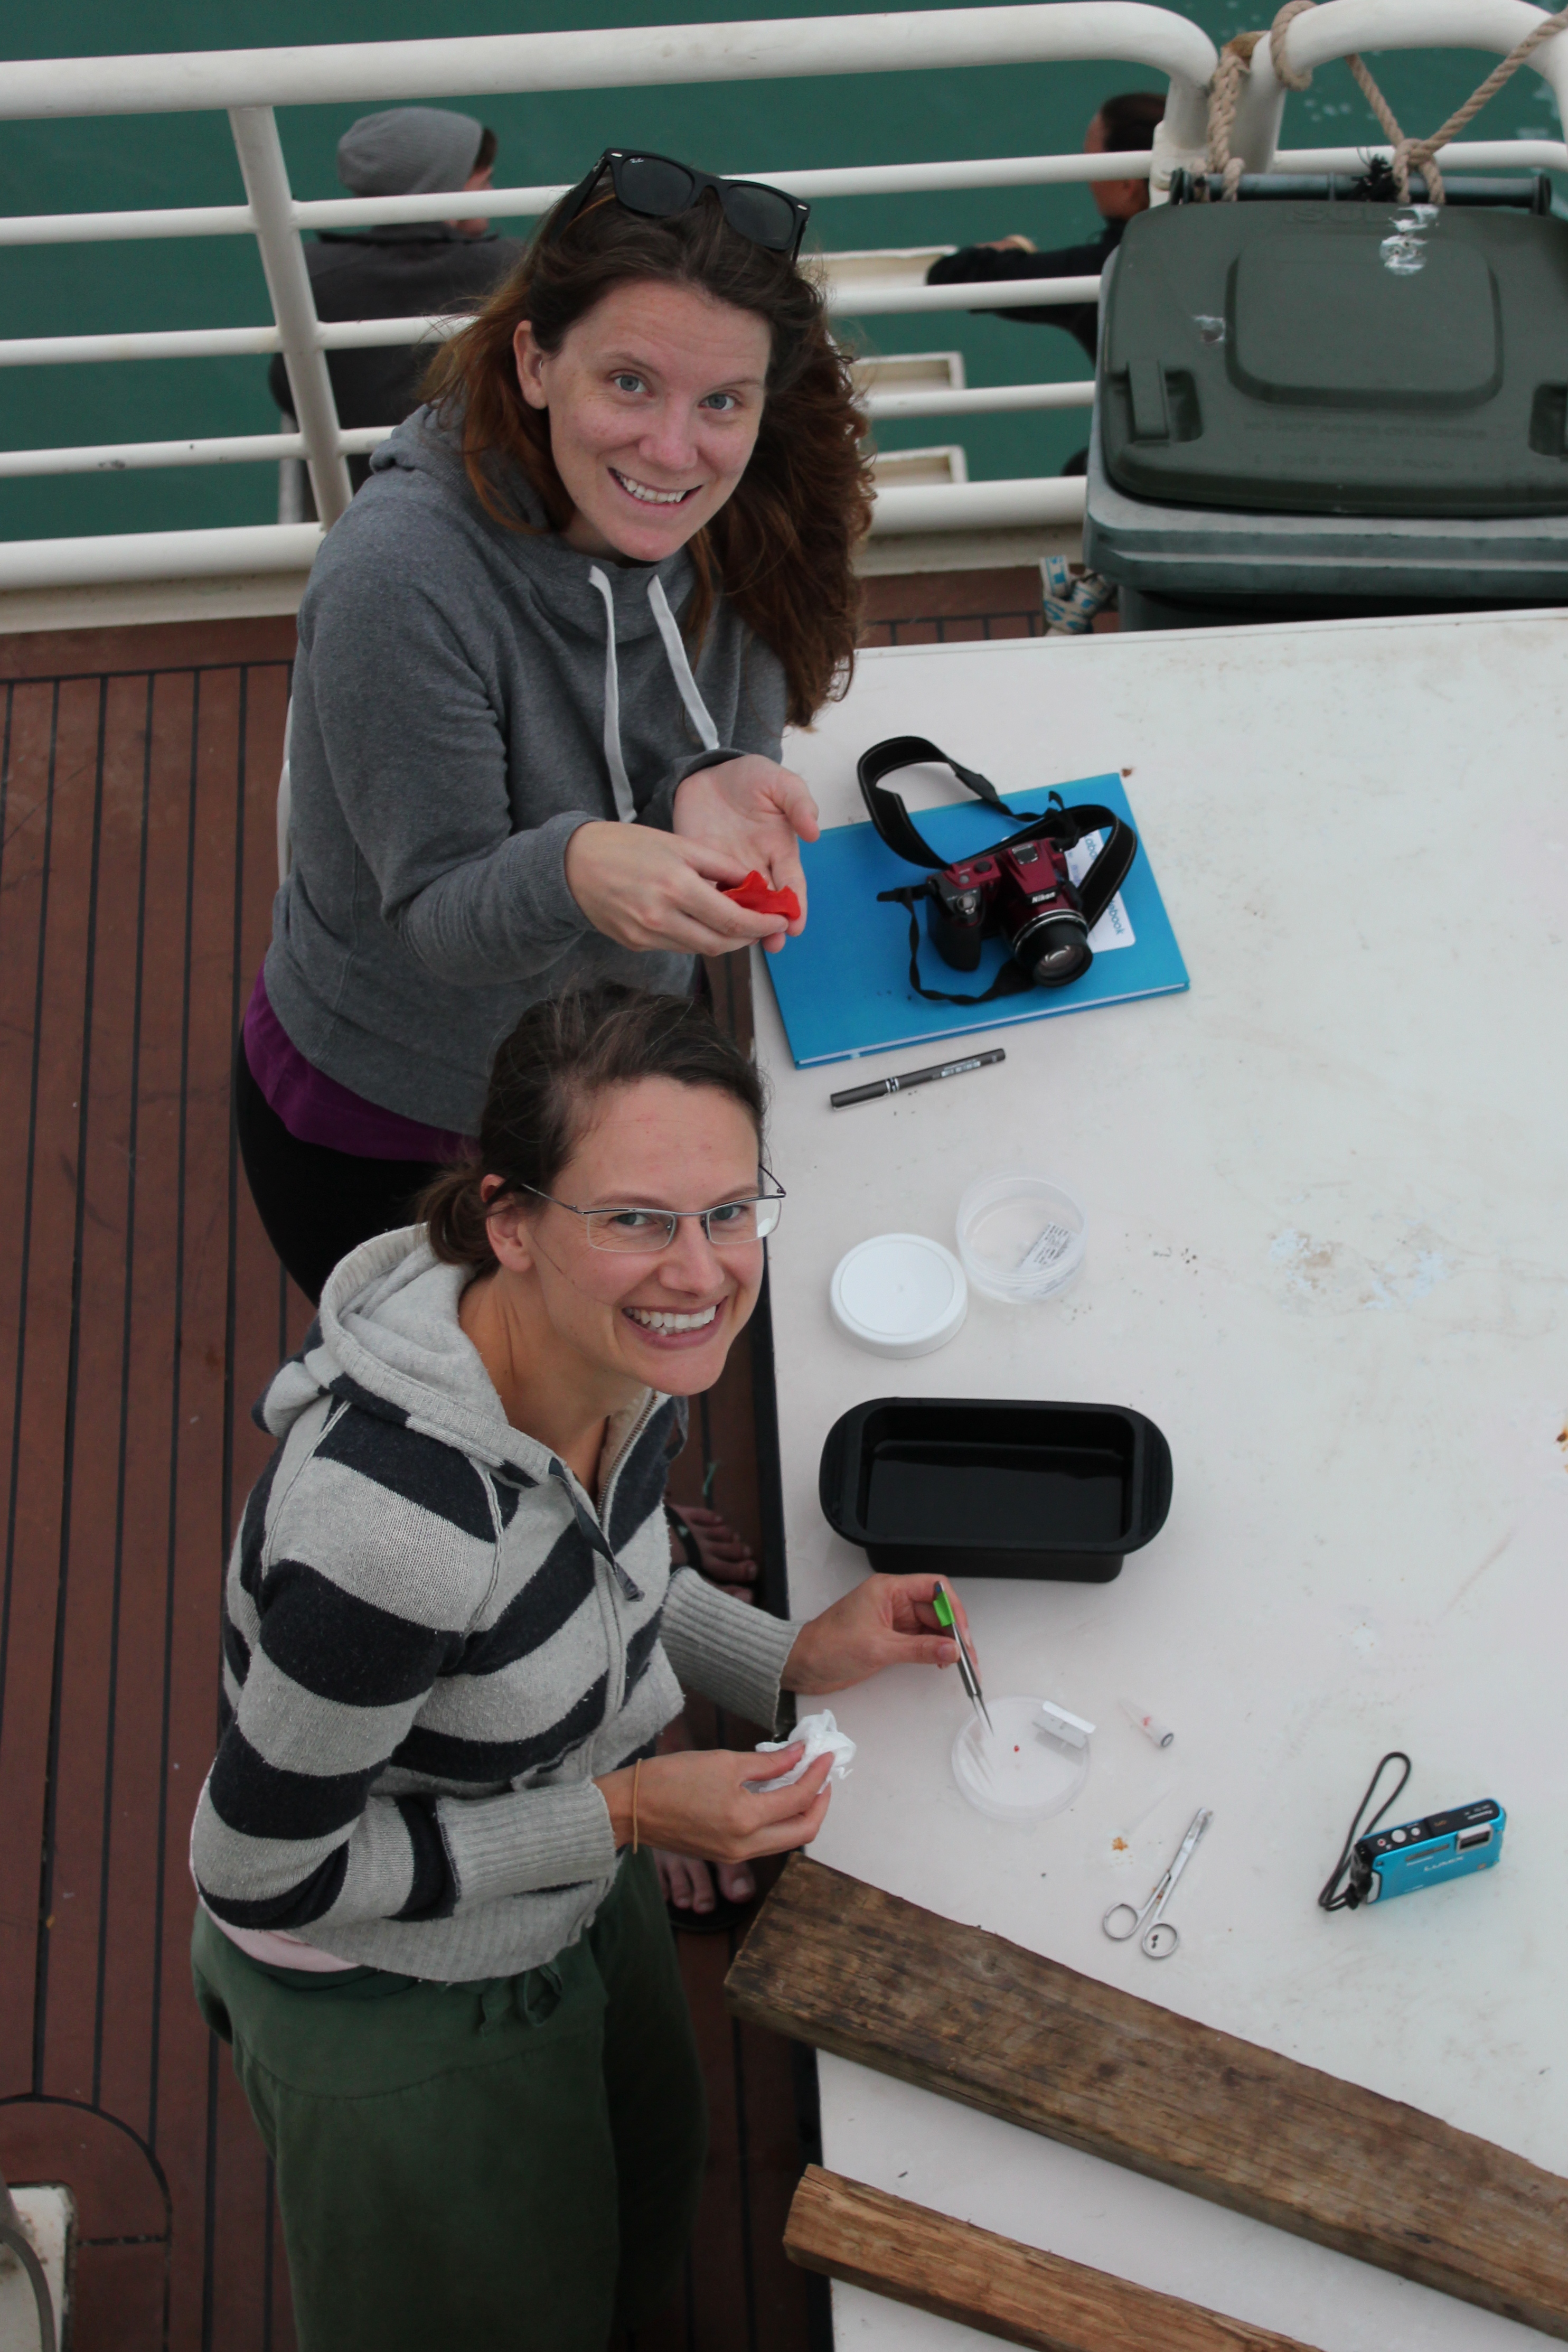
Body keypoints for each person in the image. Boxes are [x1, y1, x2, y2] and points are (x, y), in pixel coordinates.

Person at [191, 983, 974, 2351]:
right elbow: (262, 1866)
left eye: (732, 1210)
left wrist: (792, 1651)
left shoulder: (630, 1369)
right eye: (636, 1219)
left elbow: (610, 1579)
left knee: (642, 2189)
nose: (702, 1271)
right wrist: (627, 1813)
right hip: (385, 1977)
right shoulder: (387, 1534)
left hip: (565, 1873)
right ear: (509, 1219)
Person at [238, 146, 871, 1309]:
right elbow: (435, 909)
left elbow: (705, 723)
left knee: (598, 1356)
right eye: (628, 382)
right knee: (466, 1403)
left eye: (720, 401)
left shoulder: (741, 506)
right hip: (407, 1117)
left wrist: (713, 774)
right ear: (533, 360)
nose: (673, 451)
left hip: (620, 1061)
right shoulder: (400, 577)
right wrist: (580, 866)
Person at [268, 107, 527, 493]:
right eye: (483, 181)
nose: (492, 195)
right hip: (487, 492)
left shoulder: (314, 273)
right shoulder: (510, 266)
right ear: (444, 185)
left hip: (366, 487)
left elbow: (287, 387)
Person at [925, 91, 1166, 366]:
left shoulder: (1101, 275)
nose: (1088, 179)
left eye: (1091, 164)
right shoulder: (1216, 247)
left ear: (1127, 186)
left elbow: (951, 275)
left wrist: (1013, 249)